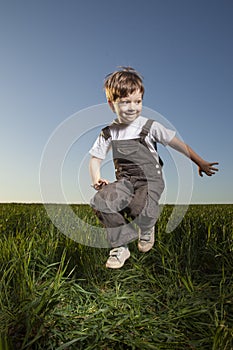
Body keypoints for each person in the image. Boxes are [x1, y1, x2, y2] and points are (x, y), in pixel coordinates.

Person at [89, 67, 218, 269]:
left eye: (137, 101)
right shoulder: (108, 133)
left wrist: (199, 162)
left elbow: (178, 144)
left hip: (150, 180)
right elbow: (96, 158)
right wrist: (96, 177)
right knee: (101, 201)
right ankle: (120, 246)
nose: (132, 107)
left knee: (138, 208)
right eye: (125, 102)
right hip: (125, 180)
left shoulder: (150, 127)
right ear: (111, 104)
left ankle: (147, 226)